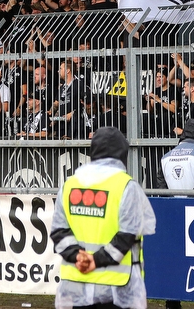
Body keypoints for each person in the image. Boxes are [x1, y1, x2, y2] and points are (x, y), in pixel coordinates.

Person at [50, 127, 156, 309]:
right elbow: (128, 234)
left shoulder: (70, 185)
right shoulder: (126, 186)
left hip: (76, 284)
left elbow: (58, 231)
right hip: (116, 288)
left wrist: (78, 256)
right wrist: (96, 260)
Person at [156, 120, 194, 309]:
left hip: (173, 214)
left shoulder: (165, 157)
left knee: (173, 260)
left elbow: (161, 189)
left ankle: (172, 302)